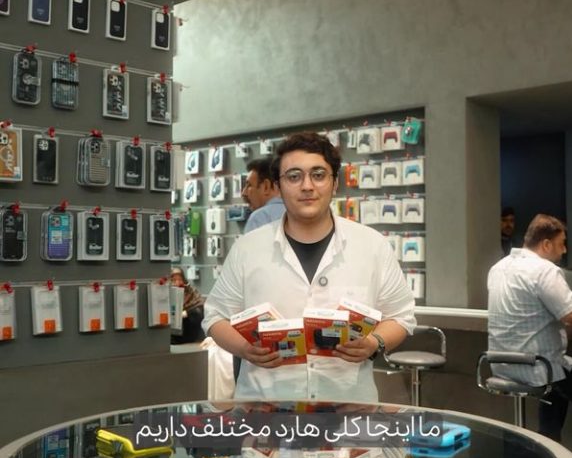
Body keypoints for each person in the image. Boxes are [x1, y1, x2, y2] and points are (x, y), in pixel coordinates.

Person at [203, 130, 415, 401]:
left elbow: (401, 316)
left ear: (334, 183)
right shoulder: (248, 249)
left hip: (348, 408)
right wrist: (245, 349)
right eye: (294, 176)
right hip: (266, 410)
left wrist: (375, 342)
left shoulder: (372, 246)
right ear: (278, 186)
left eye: (318, 175)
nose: (307, 186)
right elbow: (215, 317)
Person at [487, 214, 572, 442]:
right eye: (561, 243)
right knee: (558, 372)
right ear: (546, 244)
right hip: (536, 368)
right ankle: (550, 441)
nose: (564, 250)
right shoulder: (544, 270)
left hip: (500, 364)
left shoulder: (498, 268)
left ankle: (548, 441)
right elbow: (571, 315)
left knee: (560, 372)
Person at [242, 157, 285, 233]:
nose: (244, 193)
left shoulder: (259, 217)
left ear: (266, 186)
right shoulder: (298, 213)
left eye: (249, 185)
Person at [170, 268, 205, 344]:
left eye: (180, 279)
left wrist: (186, 313)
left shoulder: (190, 290)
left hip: (187, 330)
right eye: (173, 280)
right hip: (171, 331)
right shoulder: (166, 292)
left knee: (196, 312)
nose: (177, 283)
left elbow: (200, 306)